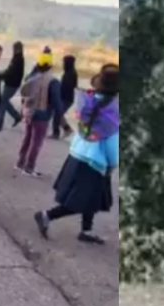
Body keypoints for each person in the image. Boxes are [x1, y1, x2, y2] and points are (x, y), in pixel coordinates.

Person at [34, 65, 119, 245]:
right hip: (94, 161)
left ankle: (86, 230)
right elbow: (112, 144)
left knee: (92, 199)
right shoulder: (112, 111)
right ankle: (46, 215)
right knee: (80, 200)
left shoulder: (88, 100)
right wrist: (113, 164)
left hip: (77, 153)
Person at [17, 50, 63, 177]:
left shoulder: (31, 77)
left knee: (27, 138)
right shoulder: (53, 81)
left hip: (28, 111)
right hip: (42, 114)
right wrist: (61, 115)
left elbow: (23, 92)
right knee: (36, 142)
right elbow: (56, 100)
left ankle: (20, 162)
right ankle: (29, 167)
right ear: (50, 65)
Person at [0, 41, 26, 127]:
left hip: (12, 84)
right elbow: (10, 70)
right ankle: (16, 116)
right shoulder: (17, 58)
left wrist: (2, 75)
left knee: (2, 101)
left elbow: (12, 72)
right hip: (12, 83)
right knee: (4, 101)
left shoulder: (18, 59)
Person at [52, 54, 78, 139]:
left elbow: (68, 86)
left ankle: (56, 133)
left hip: (66, 98)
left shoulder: (70, 73)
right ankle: (67, 129)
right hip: (66, 97)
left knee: (57, 114)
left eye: (64, 62)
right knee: (59, 114)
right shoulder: (70, 72)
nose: (63, 64)